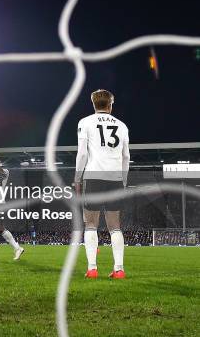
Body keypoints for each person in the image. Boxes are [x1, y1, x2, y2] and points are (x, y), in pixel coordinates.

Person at [74, 89, 129, 279]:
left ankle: (92, 269)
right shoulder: (122, 126)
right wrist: (123, 180)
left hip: (94, 175)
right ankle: (119, 269)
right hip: (115, 176)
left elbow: (82, 154)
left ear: (93, 103)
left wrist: (77, 177)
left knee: (90, 224)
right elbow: (126, 157)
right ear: (110, 104)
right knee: (115, 226)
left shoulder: (85, 122)